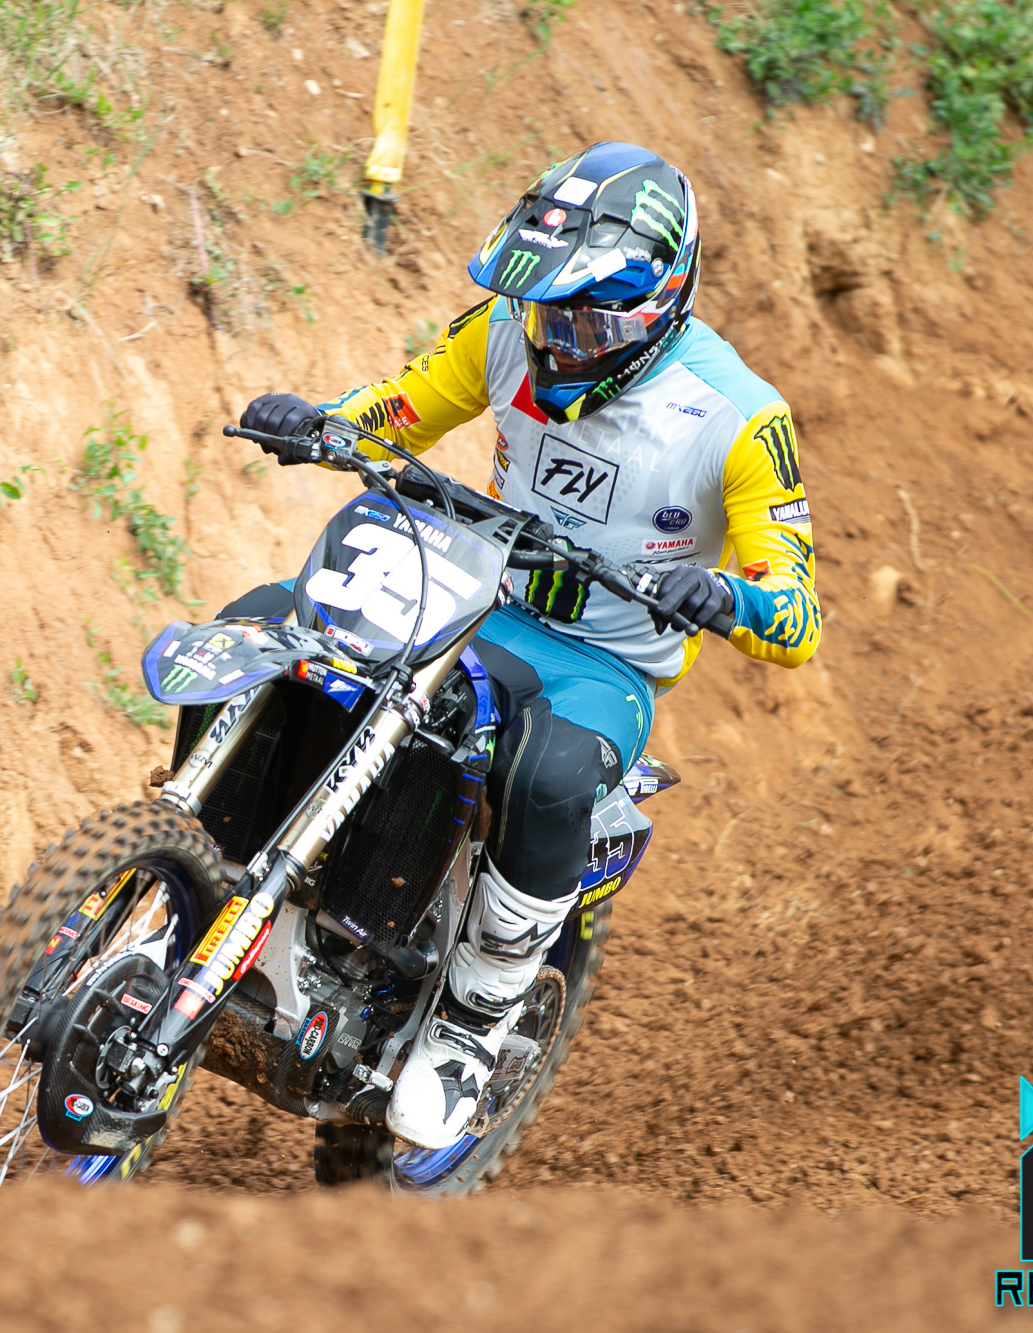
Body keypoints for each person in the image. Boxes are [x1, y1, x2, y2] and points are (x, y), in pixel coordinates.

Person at [232, 141, 822, 1150]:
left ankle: (473, 1019)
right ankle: (215, 864)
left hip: (602, 662)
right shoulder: (504, 330)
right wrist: (321, 424)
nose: (556, 341)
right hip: (471, 597)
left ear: (657, 305)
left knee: (544, 777)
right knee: (273, 626)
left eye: (586, 320)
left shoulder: (739, 419)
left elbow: (796, 616)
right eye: (548, 311)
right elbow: (401, 407)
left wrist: (723, 593)